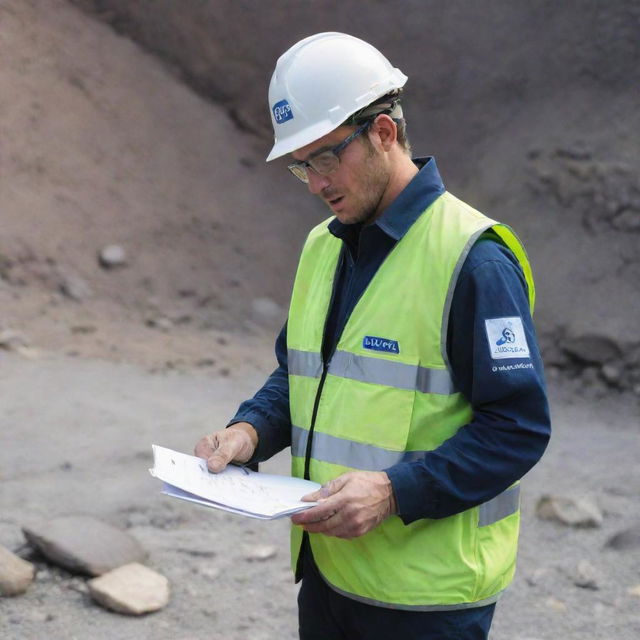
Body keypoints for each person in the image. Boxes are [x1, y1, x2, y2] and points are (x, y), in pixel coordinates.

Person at [195, 32, 550, 640]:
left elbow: (517, 429)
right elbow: (304, 375)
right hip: (330, 577)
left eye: (326, 157)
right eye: (300, 165)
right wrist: (249, 430)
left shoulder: (473, 258)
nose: (315, 183)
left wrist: (392, 491)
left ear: (384, 132)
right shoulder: (323, 245)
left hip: (425, 598)